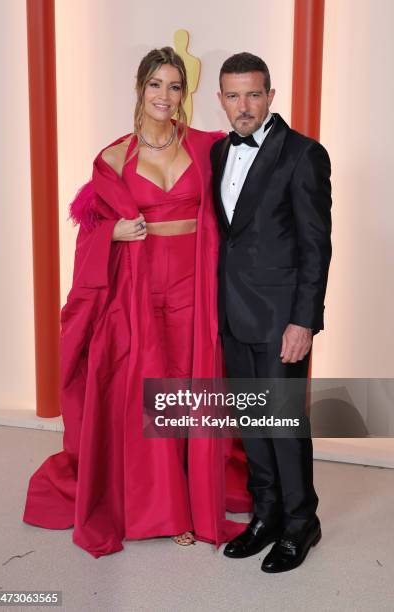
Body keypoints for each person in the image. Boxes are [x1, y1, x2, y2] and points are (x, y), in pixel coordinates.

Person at [23, 47, 250, 558]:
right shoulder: (112, 157)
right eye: (156, 85)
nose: (165, 96)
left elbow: (251, 176)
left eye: (175, 86)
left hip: (195, 288)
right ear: (140, 88)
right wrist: (112, 234)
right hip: (140, 293)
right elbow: (90, 229)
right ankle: (163, 507)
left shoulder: (208, 148)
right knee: (150, 391)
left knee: (190, 391)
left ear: (186, 94)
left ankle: (194, 499)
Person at [210, 53, 332, 573]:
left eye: (253, 94)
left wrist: (303, 321)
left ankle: (302, 522)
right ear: (220, 99)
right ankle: (267, 513)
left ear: (271, 96)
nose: (243, 106)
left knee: (283, 423)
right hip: (233, 314)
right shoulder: (218, 152)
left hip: (283, 318)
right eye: (233, 96)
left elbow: (316, 245)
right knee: (251, 421)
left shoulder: (304, 154)